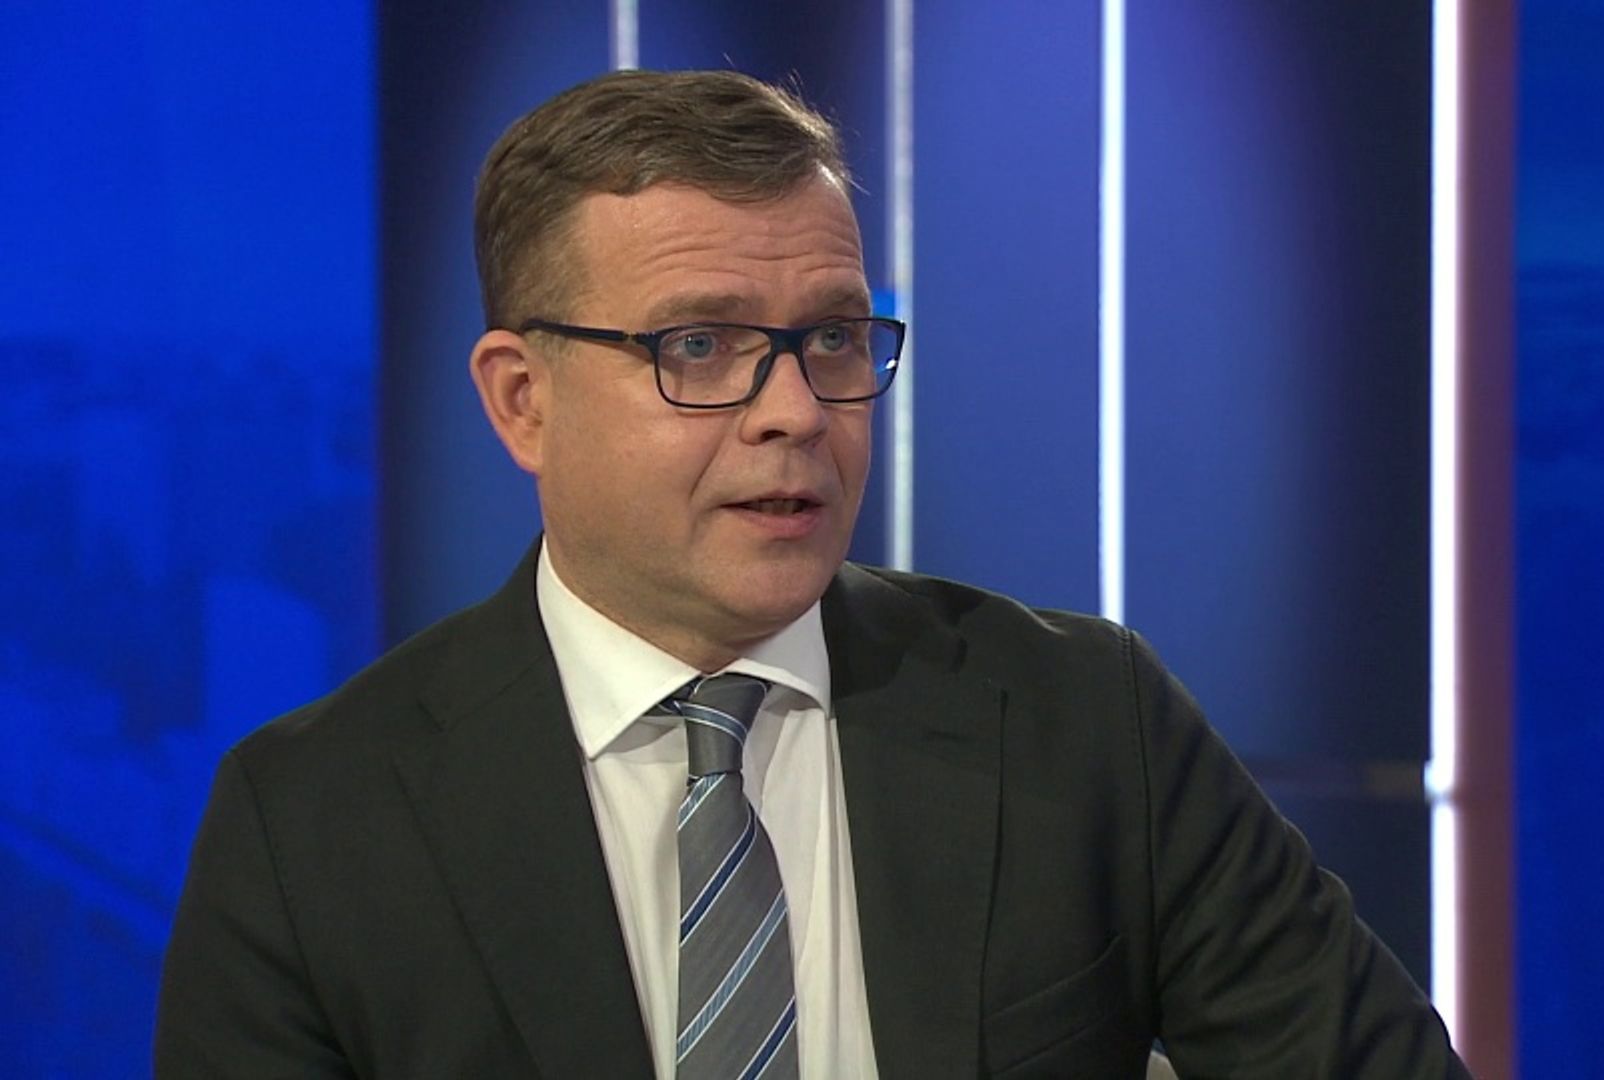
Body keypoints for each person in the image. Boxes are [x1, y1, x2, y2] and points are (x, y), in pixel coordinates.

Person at [155, 69, 1469, 1079]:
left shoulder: (1085, 724)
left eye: (833, 338)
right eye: (701, 346)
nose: (794, 411)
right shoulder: (311, 823)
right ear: (521, 401)